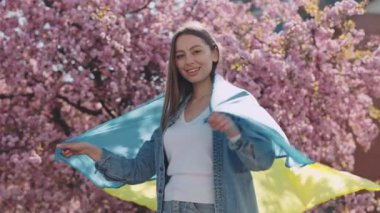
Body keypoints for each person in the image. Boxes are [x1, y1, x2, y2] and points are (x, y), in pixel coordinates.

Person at [57, 21, 276, 213]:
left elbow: (263, 160)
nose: (188, 61)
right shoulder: (172, 115)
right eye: (180, 56)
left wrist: (233, 133)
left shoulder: (235, 104)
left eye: (196, 51)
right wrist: (90, 150)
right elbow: (137, 170)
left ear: (215, 54)